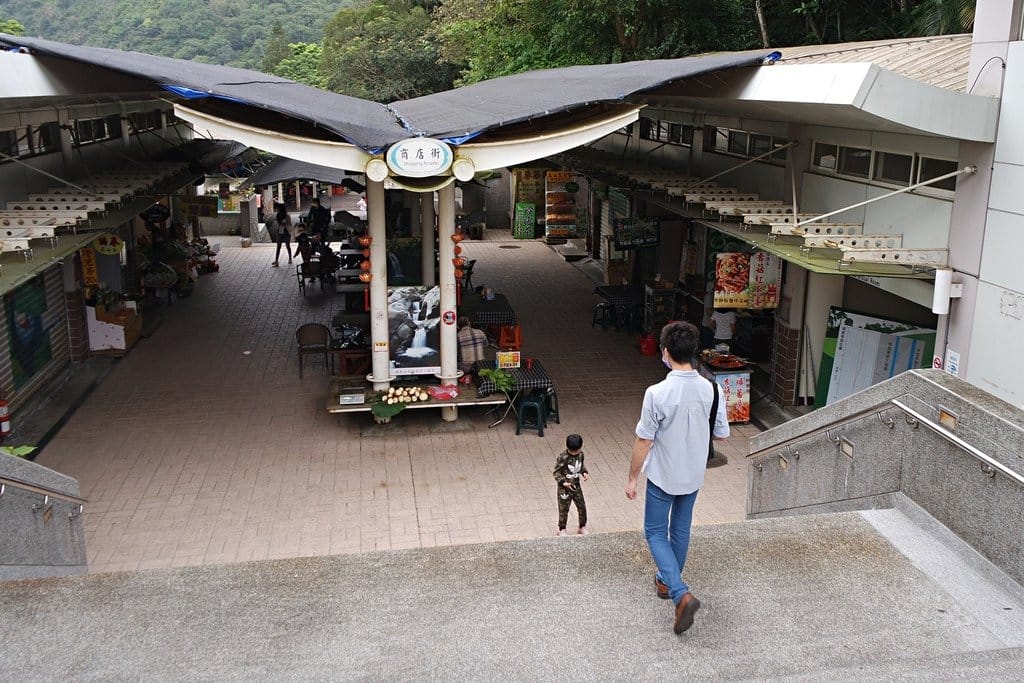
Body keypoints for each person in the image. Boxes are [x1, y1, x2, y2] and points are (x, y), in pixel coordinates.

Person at [625, 321, 729, 634]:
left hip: (663, 475)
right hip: (693, 473)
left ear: (666, 352)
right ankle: (665, 581)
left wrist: (631, 479)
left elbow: (644, 440)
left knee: (655, 532)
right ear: (694, 352)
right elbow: (721, 435)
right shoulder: (712, 388)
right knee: (680, 528)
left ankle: (680, 593)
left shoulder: (657, 393)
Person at [553, 433, 589, 536]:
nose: (574, 453)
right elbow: (556, 472)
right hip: (564, 488)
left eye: (576, 451)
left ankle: (582, 526)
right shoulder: (563, 457)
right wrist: (563, 482)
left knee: (581, 506)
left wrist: (584, 472)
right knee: (564, 509)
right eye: (571, 451)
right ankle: (561, 528)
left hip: (576, 486)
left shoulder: (581, 455)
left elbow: (580, 465)